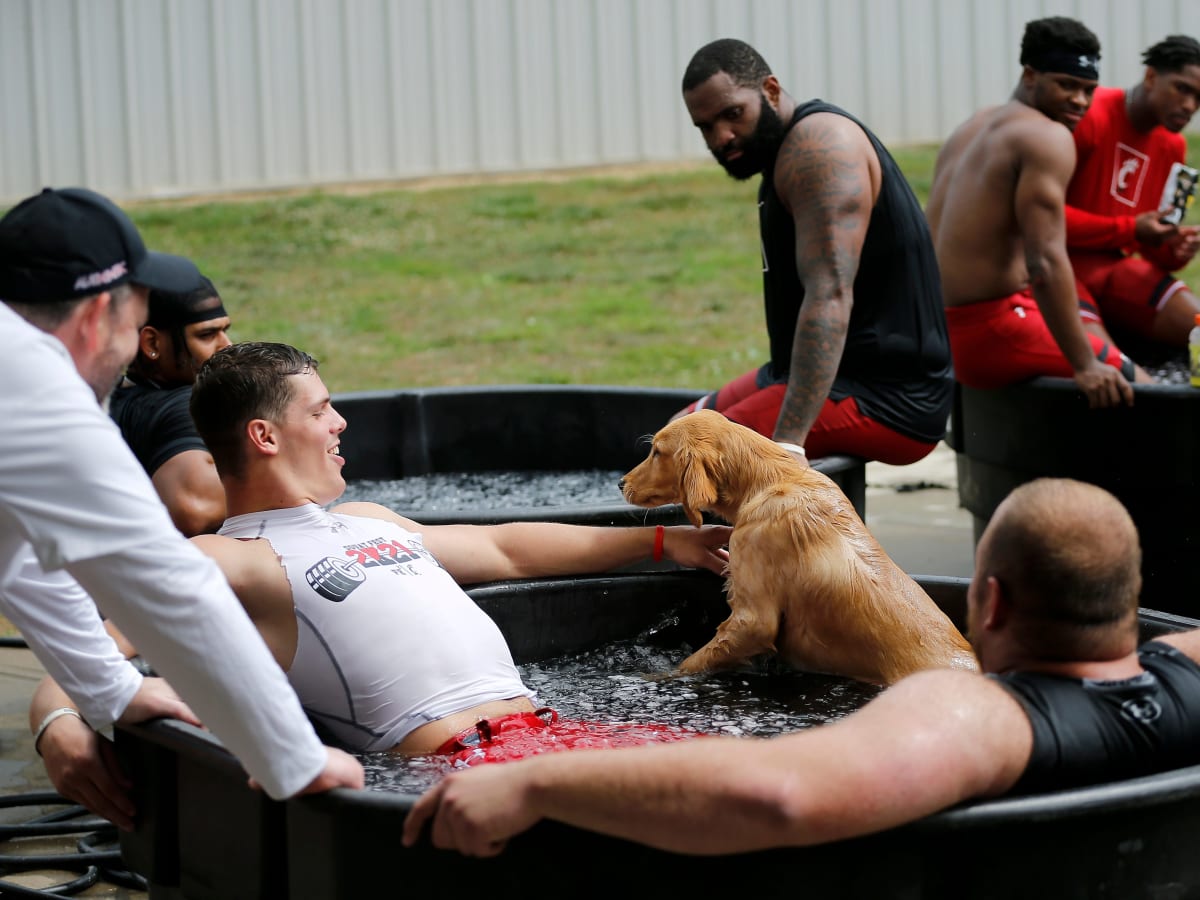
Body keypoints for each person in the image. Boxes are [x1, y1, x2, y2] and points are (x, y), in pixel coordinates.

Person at [37, 340, 732, 788]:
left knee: (747, 785)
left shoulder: (366, 520)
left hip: (560, 736)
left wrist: (666, 542)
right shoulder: (229, 558)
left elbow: (505, 549)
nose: (341, 423)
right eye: (323, 409)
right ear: (265, 436)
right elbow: (84, 652)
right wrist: (55, 726)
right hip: (469, 768)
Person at [400, 477, 1200, 857]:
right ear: (1132, 599)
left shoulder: (982, 717)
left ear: (987, 603)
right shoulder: (1186, 670)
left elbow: (775, 794)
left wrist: (533, 782)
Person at [0, 187, 363, 829]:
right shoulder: (35, 391)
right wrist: (294, 760)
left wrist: (109, 689)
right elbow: (170, 586)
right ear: (98, 318)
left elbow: (20, 556)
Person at [671, 39, 953, 467]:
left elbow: (830, 296)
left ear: (770, 89)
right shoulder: (780, 150)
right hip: (822, 376)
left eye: (732, 115)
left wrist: (786, 445)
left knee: (688, 461)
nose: (721, 137)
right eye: (705, 127)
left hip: (886, 397)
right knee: (675, 434)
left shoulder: (819, 149)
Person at [927, 17, 1149, 407]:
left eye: (1088, 90)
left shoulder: (973, 126)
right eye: (1067, 85)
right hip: (991, 329)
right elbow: (1044, 261)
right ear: (1030, 75)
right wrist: (1085, 364)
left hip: (938, 329)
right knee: (1144, 386)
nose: (1080, 101)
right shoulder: (1047, 137)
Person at [1065, 34, 1200, 347]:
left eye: (1199, 98)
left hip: (1113, 269)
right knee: (1113, 371)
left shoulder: (1172, 145)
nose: (1190, 106)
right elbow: (1037, 218)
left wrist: (1172, 248)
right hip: (1055, 266)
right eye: (1182, 89)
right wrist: (1132, 229)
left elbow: (1146, 243)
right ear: (1151, 76)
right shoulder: (1089, 114)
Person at [109, 275, 231, 536]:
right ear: (152, 343)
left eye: (225, 331)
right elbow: (195, 509)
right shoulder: (185, 403)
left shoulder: (109, 398)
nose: (226, 346)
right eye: (207, 335)